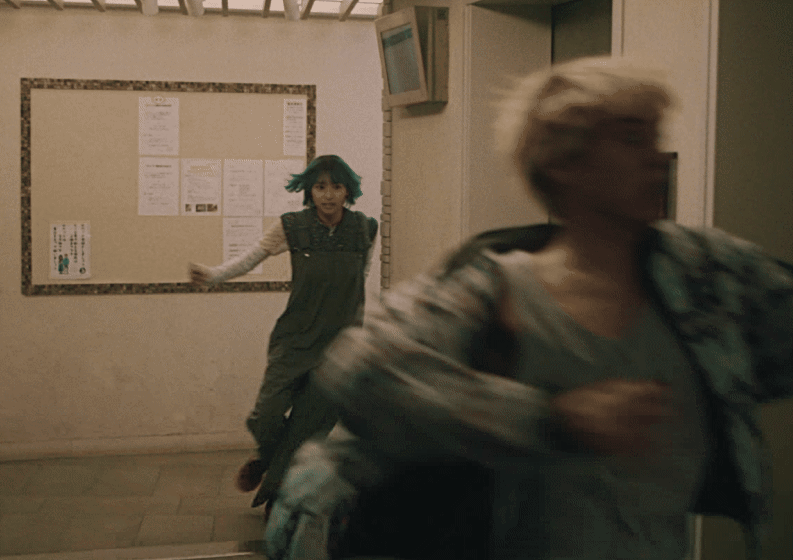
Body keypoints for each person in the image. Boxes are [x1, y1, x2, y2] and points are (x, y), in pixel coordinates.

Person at [262, 56, 793, 560]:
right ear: (563, 163)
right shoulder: (496, 290)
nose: (658, 157)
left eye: (656, 137)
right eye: (633, 138)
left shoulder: (706, 278)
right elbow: (360, 370)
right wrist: (550, 419)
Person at [189, 154, 379, 512]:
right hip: (294, 340)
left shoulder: (366, 229)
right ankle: (266, 456)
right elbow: (251, 258)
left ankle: (279, 497)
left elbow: (362, 277)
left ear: (347, 191)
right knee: (266, 414)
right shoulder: (292, 226)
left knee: (308, 430)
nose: (328, 195)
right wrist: (214, 275)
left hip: (340, 346)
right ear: (309, 190)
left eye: (336, 187)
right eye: (320, 187)